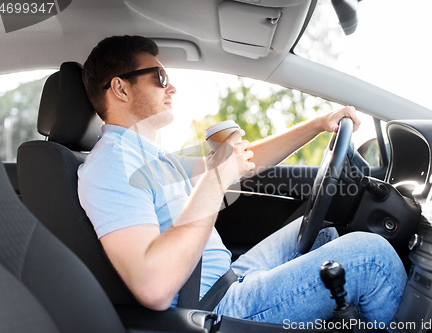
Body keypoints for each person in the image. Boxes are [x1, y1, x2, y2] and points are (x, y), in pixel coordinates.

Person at [78, 35, 407, 326]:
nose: (172, 87)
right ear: (120, 87)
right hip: (211, 307)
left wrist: (319, 124)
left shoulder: (147, 155)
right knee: (371, 257)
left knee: (325, 231)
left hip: (227, 276)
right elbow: (154, 287)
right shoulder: (111, 164)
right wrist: (217, 177)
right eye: (160, 77)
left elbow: (245, 163)